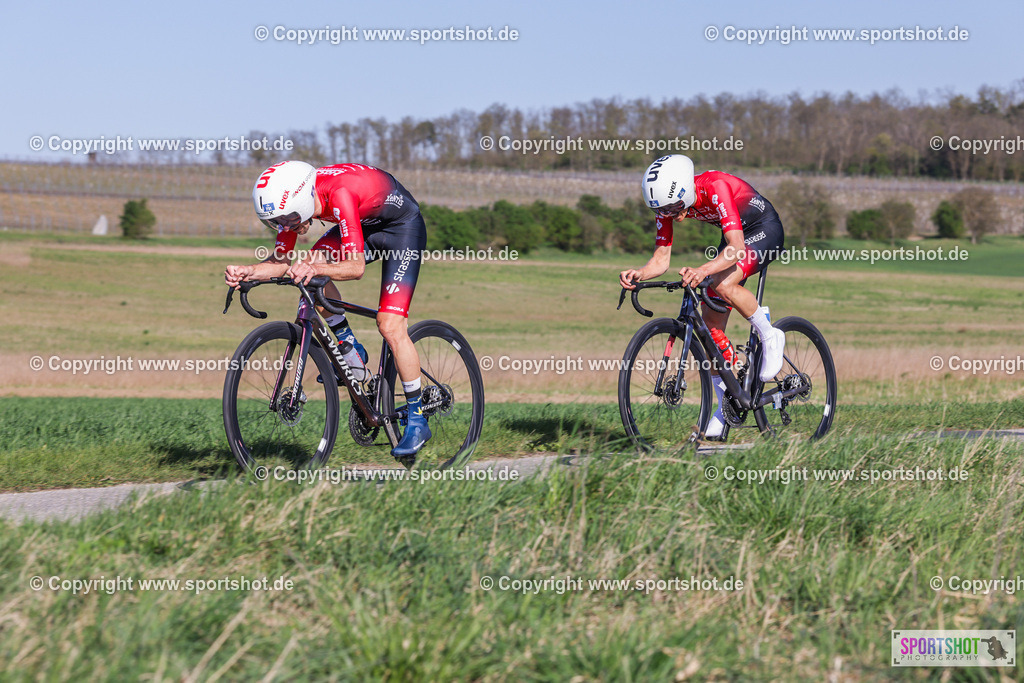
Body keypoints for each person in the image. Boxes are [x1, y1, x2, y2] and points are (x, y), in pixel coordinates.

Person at [224, 160, 430, 457]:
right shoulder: (296, 205)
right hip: (366, 221)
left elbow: (355, 267)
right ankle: (351, 351)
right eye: (277, 222)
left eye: (291, 218)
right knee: (309, 275)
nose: (288, 226)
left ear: (305, 199)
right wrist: (248, 271)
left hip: (401, 229)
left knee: (389, 324)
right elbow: (280, 262)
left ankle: (417, 417)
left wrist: (316, 266)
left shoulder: (339, 194)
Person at [619, 154, 786, 439]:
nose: (671, 214)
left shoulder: (715, 187)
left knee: (720, 285)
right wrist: (640, 274)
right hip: (735, 234)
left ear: (684, 189)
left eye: (674, 207)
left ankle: (770, 334)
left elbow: (734, 249)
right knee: (710, 329)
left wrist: (703, 269)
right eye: (663, 210)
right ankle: (726, 407)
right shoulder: (667, 205)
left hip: (763, 229)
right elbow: (662, 259)